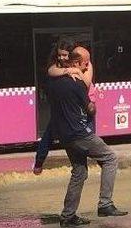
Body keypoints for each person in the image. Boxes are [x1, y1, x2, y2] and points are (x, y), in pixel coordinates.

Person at [47, 48, 128, 227]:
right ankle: (105, 204)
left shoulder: (54, 81)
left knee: (79, 172)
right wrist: (93, 104)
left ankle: (68, 215)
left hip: (65, 136)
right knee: (110, 158)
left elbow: (53, 70)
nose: (87, 65)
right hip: (79, 133)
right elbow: (89, 108)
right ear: (76, 63)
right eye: (85, 62)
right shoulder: (75, 84)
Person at [33, 40, 95, 175]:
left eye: (65, 55)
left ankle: (87, 157)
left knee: (88, 133)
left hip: (80, 106)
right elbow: (51, 71)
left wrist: (77, 73)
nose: (61, 58)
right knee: (49, 133)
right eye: (59, 55)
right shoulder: (57, 66)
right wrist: (69, 71)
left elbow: (86, 83)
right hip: (64, 107)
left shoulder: (85, 64)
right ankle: (39, 162)